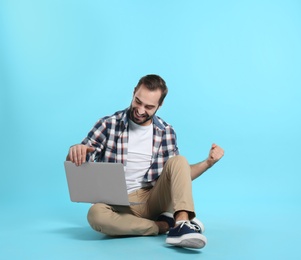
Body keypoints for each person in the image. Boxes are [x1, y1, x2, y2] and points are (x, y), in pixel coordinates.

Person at [66, 74, 224, 249]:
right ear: (134, 93)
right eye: (138, 101)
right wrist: (75, 151)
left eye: (149, 107)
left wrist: (208, 163)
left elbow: (178, 175)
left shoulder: (166, 131)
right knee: (95, 215)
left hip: (152, 199)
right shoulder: (108, 125)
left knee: (179, 161)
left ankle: (181, 225)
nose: (141, 110)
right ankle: (163, 226)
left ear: (160, 105)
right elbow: (78, 163)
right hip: (115, 203)